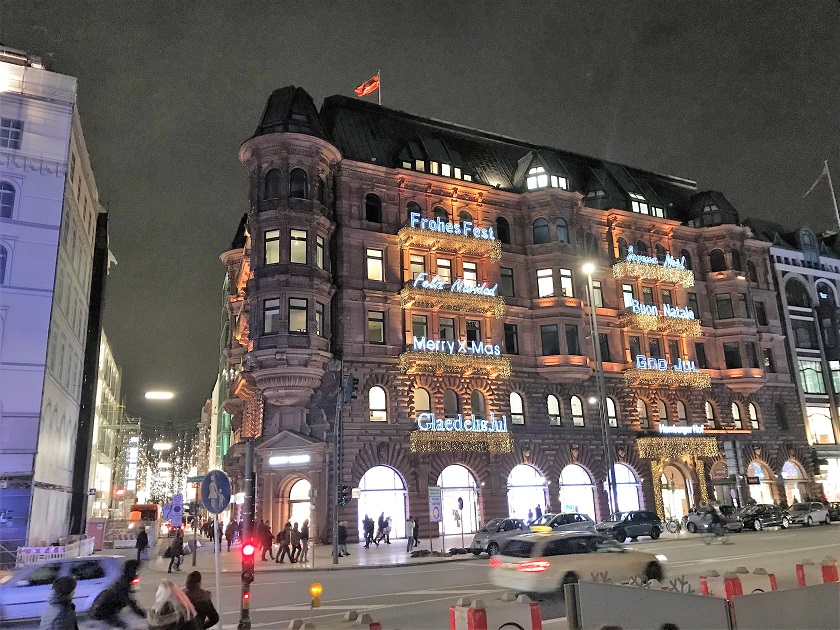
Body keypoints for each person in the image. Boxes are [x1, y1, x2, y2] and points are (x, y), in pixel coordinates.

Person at [88, 559, 145, 627]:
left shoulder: (123, 581)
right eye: (135, 571)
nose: (137, 574)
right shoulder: (123, 584)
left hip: (105, 612)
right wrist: (143, 615)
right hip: (104, 614)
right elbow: (130, 602)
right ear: (130, 571)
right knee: (124, 627)